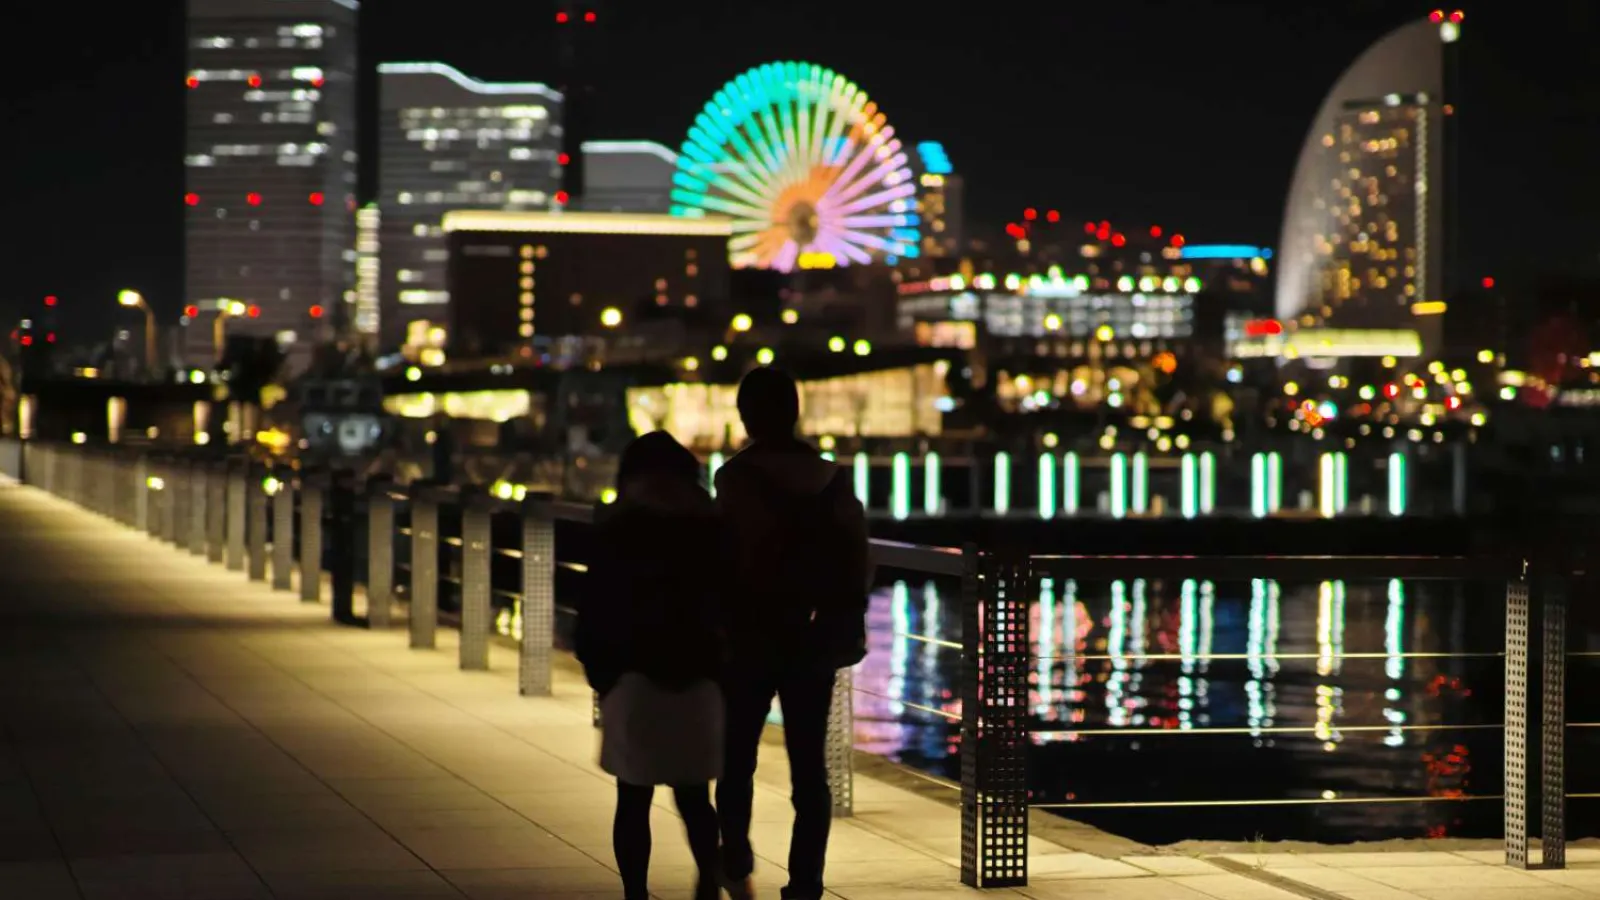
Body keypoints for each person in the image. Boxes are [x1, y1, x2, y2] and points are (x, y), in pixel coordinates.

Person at [713, 367, 871, 900]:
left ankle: (734, 851)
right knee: (811, 770)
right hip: (813, 635)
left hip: (750, 633)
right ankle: (806, 883)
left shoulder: (734, 478)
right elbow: (858, 559)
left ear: (748, 415)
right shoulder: (832, 478)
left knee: (737, 757)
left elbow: (722, 558)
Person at [576, 431, 726, 900]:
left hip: (633, 676)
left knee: (632, 797)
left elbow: (595, 607)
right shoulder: (710, 527)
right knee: (695, 797)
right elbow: (728, 603)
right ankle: (707, 883)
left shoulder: (617, 527)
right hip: (698, 676)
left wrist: (602, 675)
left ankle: (636, 893)